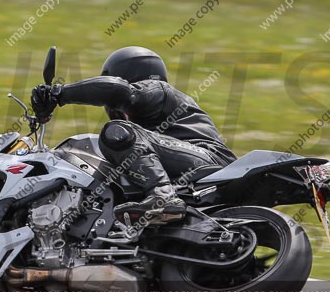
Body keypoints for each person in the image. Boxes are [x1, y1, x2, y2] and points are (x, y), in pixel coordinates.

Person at [31, 46, 236, 226]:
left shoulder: (158, 90)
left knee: (116, 132)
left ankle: (163, 196)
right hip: (192, 172)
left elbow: (119, 91)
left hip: (210, 162)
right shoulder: (146, 133)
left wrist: (60, 93)